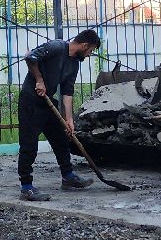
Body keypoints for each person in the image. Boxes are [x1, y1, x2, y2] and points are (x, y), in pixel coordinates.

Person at [16, 28, 101, 202]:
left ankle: (68, 177)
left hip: (48, 103)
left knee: (61, 139)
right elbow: (30, 56)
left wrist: (69, 119)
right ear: (85, 45)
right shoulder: (56, 47)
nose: (90, 54)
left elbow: (67, 93)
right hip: (31, 101)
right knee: (29, 144)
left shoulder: (74, 64)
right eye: (91, 50)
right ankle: (26, 187)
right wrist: (39, 80)